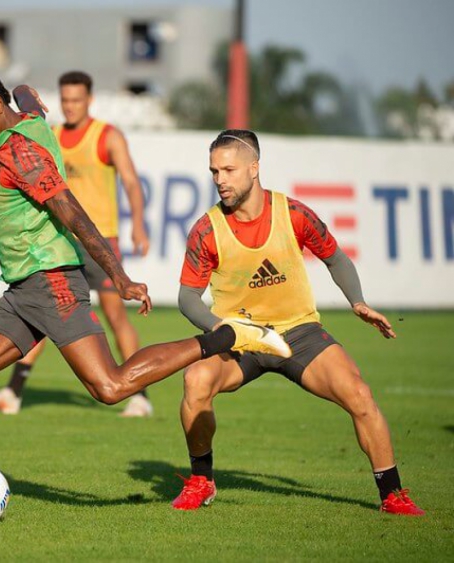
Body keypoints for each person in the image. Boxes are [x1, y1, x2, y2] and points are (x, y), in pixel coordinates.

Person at [0, 69, 290, 521]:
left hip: (51, 284)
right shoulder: (27, 118)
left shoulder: (20, 151)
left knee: (110, 386)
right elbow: (27, 96)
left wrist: (118, 275)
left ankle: (226, 338)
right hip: (23, 291)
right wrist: (28, 94)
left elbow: (72, 213)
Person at [171, 129, 424, 516]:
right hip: (241, 337)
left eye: (229, 170)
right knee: (195, 380)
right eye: (214, 172)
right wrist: (224, 329)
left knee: (358, 394)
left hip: (299, 331)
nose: (220, 180)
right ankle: (201, 481)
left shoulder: (293, 213)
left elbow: (336, 258)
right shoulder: (206, 229)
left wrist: (357, 302)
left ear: (254, 168)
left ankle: (392, 495)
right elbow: (187, 297)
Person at [0, 70, 154, 417]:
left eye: (77, 100)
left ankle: (141, 396)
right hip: (58, 240)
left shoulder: (107, 136)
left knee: (116, 317)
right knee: (41, 317)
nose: (70, 107)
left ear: (89, 100)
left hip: (98, 238)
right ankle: (13, 392)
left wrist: (139, 225)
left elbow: (131, 182)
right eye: (66, 100)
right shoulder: (46, 134)